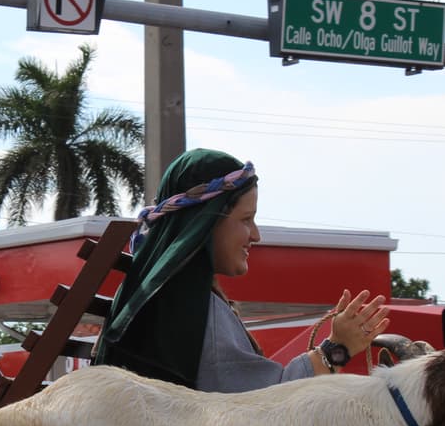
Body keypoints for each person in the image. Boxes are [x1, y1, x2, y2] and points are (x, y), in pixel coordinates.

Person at [93, 149, 389, 390]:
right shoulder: (193, 312)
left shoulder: (157, 295)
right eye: (246, 219)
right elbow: (268, 405)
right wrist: (338, 349)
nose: (256, 235)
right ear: (205, 222)